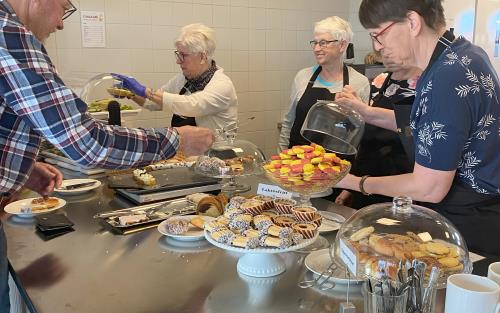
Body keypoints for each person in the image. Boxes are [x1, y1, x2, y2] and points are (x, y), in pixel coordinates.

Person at [0, 0, 213, 310]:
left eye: (184, 55)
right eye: (64, 6)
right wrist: (174, 140)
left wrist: (22, 165)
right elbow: (89, 143)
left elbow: (191, 106)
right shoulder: (9, 34)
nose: (61, 23)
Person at [336, 0, 500, 256]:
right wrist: (367, 113)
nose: (378, 47)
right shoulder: (464, 54)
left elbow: (429, 187)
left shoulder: (446, 78)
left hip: (471, 223)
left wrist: (358, 183)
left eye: (378, 35)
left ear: (412, 22)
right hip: (482, 213)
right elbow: (433, 128)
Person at [112, 23, 238, 133]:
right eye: (178, 54)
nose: (178, 61)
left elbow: (192, 105)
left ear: (203, 57)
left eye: (183, 55)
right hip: (186, 150)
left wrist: (145, 91)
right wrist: (131, 93)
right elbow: (154, 103)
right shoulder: (182, 79)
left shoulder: (222, 85)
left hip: (216, 154)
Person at [335, 56, 421, 208]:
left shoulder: (426, 84)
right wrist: (351, 186)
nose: (382, 49)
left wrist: (367, 111)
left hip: (403, 185)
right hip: (367, 182)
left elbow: (416, 131)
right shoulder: (380, 80)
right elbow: (368, 140)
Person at [279, 16, 371, 151]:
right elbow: (288, 122)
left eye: (323, 43)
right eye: (315, 43)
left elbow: (361, 130)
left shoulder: (359, 82)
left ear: (342, 45)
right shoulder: (302, 77)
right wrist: (281, 156)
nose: (316, 49)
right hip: (297, 162)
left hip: (338, 165)